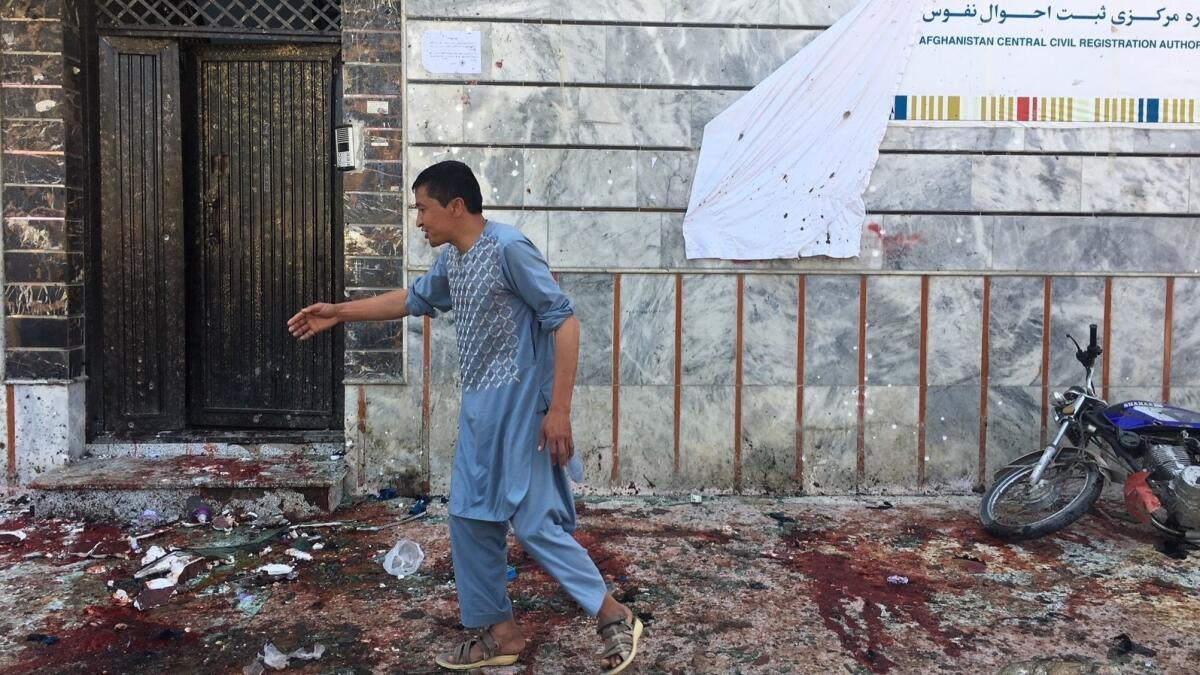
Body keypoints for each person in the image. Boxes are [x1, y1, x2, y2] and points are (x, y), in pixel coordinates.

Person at [287, 160, 642, 673]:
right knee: (469, 519)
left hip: (525, 415)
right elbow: (412, 299)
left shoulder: (509, 248)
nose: (418, 221)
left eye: (423, 209)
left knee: (535, 523)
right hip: (480, 417)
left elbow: (564, 322)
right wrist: (337, 312)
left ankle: (613, 616)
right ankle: (502, 635)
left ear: (455, 206)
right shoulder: (454, 261)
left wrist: (559, 410)